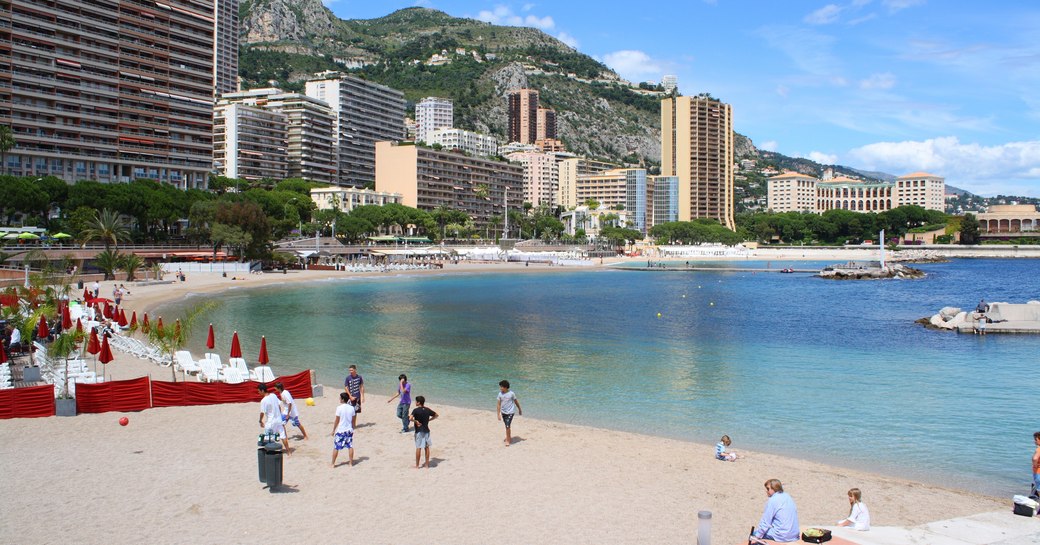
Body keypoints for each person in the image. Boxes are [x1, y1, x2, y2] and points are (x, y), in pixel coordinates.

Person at [752, 479, 800, 543]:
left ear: (774, 488)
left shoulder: (773, 500)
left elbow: (765, 522)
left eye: (768, 489)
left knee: (754, 533)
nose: (766, 491)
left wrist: (757, 536)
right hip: (794, 534)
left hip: (782, 535)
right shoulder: (787, 496)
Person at [258, 383, 290, 455]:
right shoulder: (273, 395)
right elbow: (279, 405)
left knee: (268, 438)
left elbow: (262, 413)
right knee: (283, 436)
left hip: (271, 422)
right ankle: (288, 452)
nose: (259, 393)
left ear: (262, 390)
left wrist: (260, 421)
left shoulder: (263, 400)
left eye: (259, 391)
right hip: (279, 420)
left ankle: (270, 453)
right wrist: (279, 414)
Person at [409, 395, 438, 469]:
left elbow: (410, 418)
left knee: (418, 447)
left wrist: (416, 421)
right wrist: (429, 420)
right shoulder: (427, 410)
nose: (415, 402)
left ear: (418, 402)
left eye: (416, 401)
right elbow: (436, 415)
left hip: (419, 431)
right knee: (426, 447)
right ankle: (427, 465)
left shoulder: (415, 410)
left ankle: (417, 466)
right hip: (426, 431)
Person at [331, 392, 356, 468]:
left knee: (336, 447)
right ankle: (350, 463)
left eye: (340, 398)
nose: (339, 399)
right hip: (349, 430)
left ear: (342, 399)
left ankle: (332, 464)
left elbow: (337, 420)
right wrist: (352, 428)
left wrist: (333, 430)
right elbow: (353, 420)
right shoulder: (352, 408)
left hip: (341, 430)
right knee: (350, 446)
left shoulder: (339, 408)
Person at [496, 380, 522, 446]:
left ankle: (508, 440)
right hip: (503, 412)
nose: (500, 388)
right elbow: (498, 404)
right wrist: (498, 414)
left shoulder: (511, 394)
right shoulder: (500, 394)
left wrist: (519, 409)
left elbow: (516, 402)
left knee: (507, 426)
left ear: (506, 387)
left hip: (510, 412)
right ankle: (509, 437)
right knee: (507, 426)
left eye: (501, 387)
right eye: (500, 387)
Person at [1031, 431, 1040, 499]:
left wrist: (1035, 465)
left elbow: (1035, 458)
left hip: (1038, 472)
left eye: (1036, 439)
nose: (1034, 441)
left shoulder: (1039, 449)